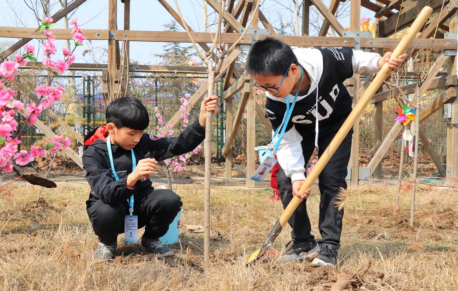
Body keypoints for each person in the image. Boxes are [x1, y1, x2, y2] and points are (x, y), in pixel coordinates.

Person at [246, 38, 406, 267]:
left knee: (332, 180)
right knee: (285, 179)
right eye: (262, 87)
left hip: (336, 125)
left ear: (292, 69)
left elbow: (355, 59)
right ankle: (302, 241)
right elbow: (285, 140)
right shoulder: (275, 103)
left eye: (271, 86)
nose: (267, 92)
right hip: (301, 132)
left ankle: (329, 246)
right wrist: (298, 176)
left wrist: (380, 62)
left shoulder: (324, 61)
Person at [83, 96, 218, 261]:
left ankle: (151, 239)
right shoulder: (93, 152)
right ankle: (107, 244)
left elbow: (175, 145)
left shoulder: (143, 142)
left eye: (141, 132)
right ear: (111, 128)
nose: (137, 139)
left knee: (169, 199)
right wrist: (132, 177)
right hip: (111, 209)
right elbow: (106, 192)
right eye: (132, 133)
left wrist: (201, 123)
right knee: (105, 210)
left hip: (139, 206)